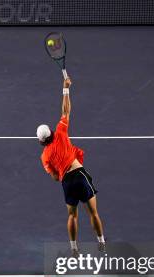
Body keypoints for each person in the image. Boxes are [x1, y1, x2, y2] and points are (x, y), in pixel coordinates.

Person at [37, 77, 105, 255]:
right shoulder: (60, 132)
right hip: (80, 175)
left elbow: (54, 177)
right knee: (93, 213)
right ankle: (101, 242)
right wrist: (65, 88)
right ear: (51, 132)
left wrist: (59, 168)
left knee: (72, 215)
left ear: (41, 141)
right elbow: (65, 110)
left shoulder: (44, 156)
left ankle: (74, 248)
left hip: (67, 182)